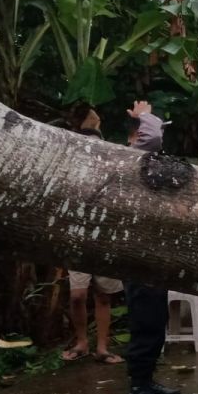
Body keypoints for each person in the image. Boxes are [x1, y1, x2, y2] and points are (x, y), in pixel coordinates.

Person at [120, 101, 182, 394]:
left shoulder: (143, 164)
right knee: (144, 320)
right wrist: (144, 115)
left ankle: (148, 379)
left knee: (155, 319)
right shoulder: (129, 158)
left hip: (151, 254)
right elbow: (154, 137)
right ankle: (137, 387)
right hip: (137, 255)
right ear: (134, 138)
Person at [63, 103, 123, 365]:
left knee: (103, 294)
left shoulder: (107, 152)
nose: (98, 124)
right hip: (77, 231)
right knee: (77, 294)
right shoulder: (69, 151)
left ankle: (102, 347)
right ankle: (81, 342)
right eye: (94, 120)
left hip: (103, 231)